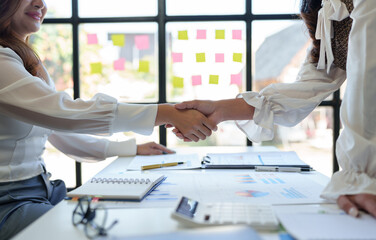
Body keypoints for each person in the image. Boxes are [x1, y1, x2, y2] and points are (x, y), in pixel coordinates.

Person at [0, 0, 217, 238]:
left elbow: (55, 128)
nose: (40, 3)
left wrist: (129, 148)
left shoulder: (23, 60)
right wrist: (164, 113)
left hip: (40, 190)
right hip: (9, 202)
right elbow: (61, 113)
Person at [173, 0, 376, 218]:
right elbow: (305, 88)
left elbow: (367, 77)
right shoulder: (326, 10)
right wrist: (220, 110)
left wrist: (360, 178)